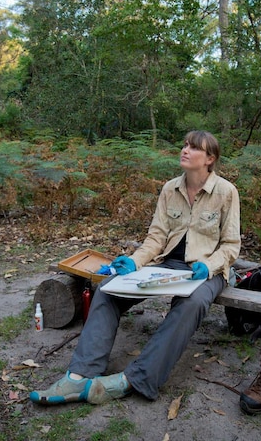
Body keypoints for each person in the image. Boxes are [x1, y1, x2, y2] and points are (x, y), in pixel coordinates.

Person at [30, 130, 241, 405]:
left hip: (207, 271)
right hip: (166, 264)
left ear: (210, 158)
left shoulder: (226, 192)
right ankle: (79, 376)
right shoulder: (170, 189)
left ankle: (133, 380)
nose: (185, 149)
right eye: (185, 144)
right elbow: (156, 237)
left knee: (192, 303)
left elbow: (230, 245)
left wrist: (208, 265)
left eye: (194, 147)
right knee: (107, 289)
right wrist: (135, 261)